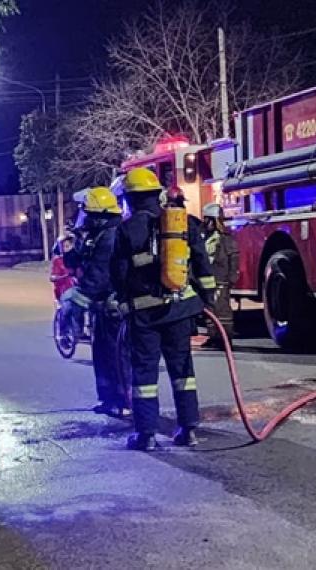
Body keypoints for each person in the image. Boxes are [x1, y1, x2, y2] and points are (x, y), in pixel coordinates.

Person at [111, 168, 216, 451]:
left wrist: (121, 301)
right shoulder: (184, 223)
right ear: (156, 194)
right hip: (179, 311)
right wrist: (207, 298)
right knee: (183, 371)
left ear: (130, 200)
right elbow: (204, 266)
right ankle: (189, 429)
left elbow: (118, 275)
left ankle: (146, 436)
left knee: (144, 374)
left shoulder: (124, 231)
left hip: (144, 316)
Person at [61, 186, 129, 417]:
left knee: (116, 355)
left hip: (112, 307)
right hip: (100, 308)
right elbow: (74, 263)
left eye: (88, 213)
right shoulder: (95, 235)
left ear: (99, 216)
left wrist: (78, 300)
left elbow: (98, 276)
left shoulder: (110, 237)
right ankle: (108, 399)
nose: (84, 217)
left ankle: (123, 401)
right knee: (101, 354)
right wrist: (70, 246)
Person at [200, 203, 240, 349]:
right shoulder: (204, 237)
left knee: (222, 311)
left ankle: (225, 339)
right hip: (209, 280)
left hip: (221, 279)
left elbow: (233, 258)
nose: (205, 223)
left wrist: (232, 276)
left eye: (207, 220)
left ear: (214, 220)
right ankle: (213, 337)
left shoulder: (225, 239)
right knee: (210, 311)